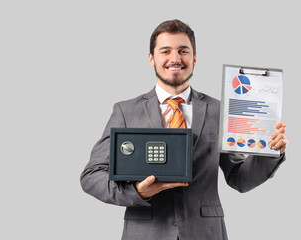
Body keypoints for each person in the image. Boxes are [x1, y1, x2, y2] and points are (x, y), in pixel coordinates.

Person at [80, 19, 288, 240]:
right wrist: (137, 191)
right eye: (165, 51)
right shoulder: (125, 111)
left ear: (194, 58)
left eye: (183, 51)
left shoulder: (219, 110)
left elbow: (239, 178)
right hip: (146, 233)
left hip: (205, 233)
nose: (175, 59)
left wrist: (270, 151)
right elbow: (91, 176)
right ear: (151, 58)